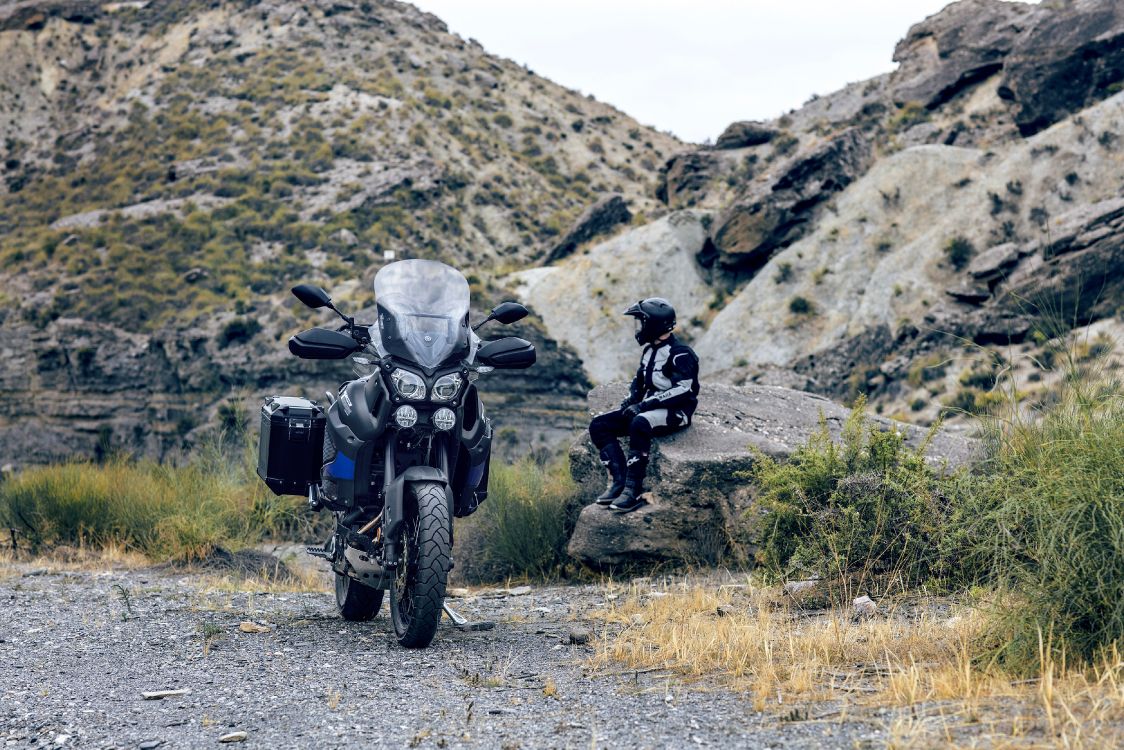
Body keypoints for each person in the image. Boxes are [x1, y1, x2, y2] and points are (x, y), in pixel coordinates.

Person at [588, 298, 700, 513]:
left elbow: (684, 389)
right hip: (650, 408)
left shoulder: (681, 354)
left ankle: (634, 489)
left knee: (639, 422)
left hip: (677, 412)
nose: (639, 327)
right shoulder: (649, 351)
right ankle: (618, 482)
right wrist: (632, 399)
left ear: (654, 324)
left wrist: (643, 405)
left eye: (642, 322)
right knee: (599, 425)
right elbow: (639, 381)